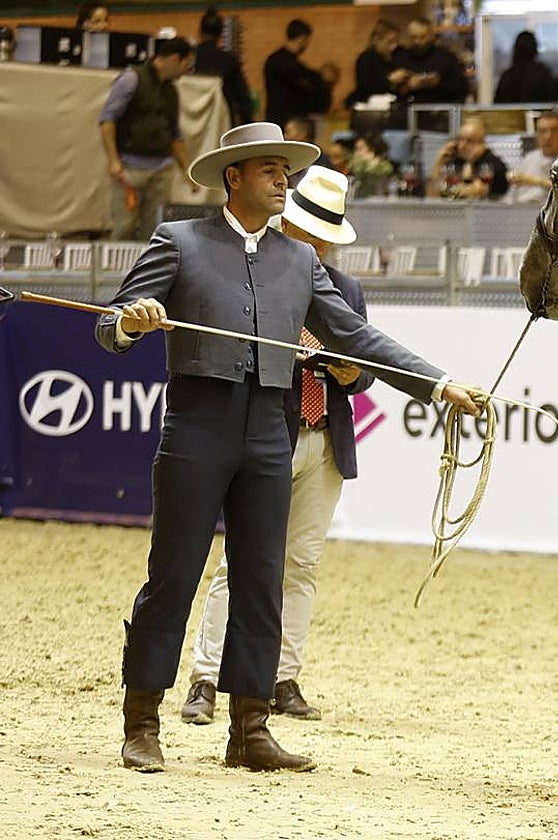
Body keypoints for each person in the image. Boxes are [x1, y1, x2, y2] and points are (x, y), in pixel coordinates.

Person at [94, 121, 480, 774]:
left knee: (261, 582)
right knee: (173, 577)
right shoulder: (179, 242)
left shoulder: (300, 262)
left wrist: (437, 383)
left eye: (286, 170)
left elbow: (356, 337)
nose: (284, 181)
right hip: (196, 426)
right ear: (233, 177)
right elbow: (110, 323)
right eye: (270, 170)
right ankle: (141, 723)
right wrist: (128, 323)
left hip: (270, 433)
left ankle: (249, 730)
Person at [180, 165, 372, 727]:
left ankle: (282, 676)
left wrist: (346, 374)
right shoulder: (255, 276)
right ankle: (207, 676)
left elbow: (367, 373)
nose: (315, 245)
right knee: (240, 561)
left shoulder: (348, 290)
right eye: (309, 231)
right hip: (268, 432)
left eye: (323, 237)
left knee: (301, 563)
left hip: (324, 438)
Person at [98, 36, 198, 241]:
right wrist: (113, 160)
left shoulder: (171, 91)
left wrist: (187, 170)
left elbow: (175, 134)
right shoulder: (131, 78)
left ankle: (149, 271)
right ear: (174, 59)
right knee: (124, 227)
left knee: (155, 231)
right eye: (186, 65)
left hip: (161, 170)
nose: (186, 72)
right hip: (130, 169)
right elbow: (108, 119)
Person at [264, 19, 333, 128]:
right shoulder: (284, 63)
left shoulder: (276, 61)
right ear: (302, 39)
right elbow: (304, 79)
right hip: (286, 123)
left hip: (282, 121)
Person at [195, 6, 254, 127]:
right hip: (222, 122)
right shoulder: (229, 60)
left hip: (193, 122)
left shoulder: (190, 59)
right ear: (221, 34)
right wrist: (247, 124)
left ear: (200, 31)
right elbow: (243, 98)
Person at [391, 18, 468, 105]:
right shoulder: (400, 57)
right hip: (407, 110)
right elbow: (390, 91)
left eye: (422, 37)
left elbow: (461, 88)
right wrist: (406, 85)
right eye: (413, 37)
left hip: (438, 110)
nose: (417, 42)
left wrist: (437, 84)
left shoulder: (445, 58)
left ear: (431, 36)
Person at [427, 117, 509, 199]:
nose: (462, 145)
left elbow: (475, 191)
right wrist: (438, 163)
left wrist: (470, 163)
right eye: (460, 139)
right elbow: (431, 197)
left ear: (481, 143)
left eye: (469, 141)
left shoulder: (492, 164)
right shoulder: (453, 161)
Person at [507, 110, 558, 204]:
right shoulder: (529, 158)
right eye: (543, 131)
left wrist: (536, 181)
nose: (548, 136)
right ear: (537, 135)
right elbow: (511, 197)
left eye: (554, 130)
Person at [345, 19, 406, 108]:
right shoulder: (366, 59)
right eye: (390, 41)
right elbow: (364, 85)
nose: (394, 46)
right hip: (370, 105)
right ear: (377, 40)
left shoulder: (395, 58)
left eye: (396, 41)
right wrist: (390, 81)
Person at [494, 31, 554, 103]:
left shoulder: (507, 75)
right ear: (535, 48)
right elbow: (552, 102)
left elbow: (498, 104)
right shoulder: (544, 73)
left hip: (512, 114)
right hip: (538, 114)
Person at [283, 117, 333, 186]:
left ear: (303, 134)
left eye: (288, 132)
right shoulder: (285, 156)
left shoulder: (320, 159)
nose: (284, 136)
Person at [347, 132, 395, 197]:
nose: (356, 153)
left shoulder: (385, 166)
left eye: (360, 149)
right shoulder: (356, 164)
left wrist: (370, 165)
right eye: (355, 149)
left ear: (372, 150)